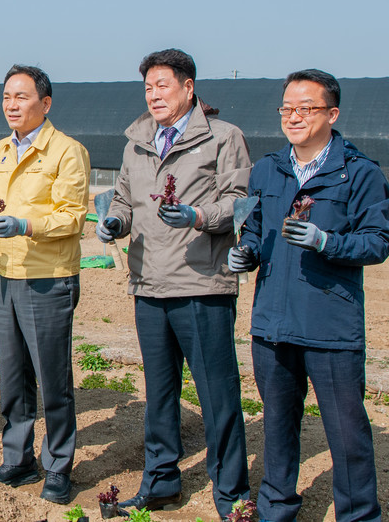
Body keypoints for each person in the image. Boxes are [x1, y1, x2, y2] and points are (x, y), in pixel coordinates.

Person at [230, 69, 389, 522]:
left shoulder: (358, 173)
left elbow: (378, 242)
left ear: (332, 114)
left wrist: (326, 241)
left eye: (306, 108)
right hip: (273, 323)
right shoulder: (268, 169)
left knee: (346, 431)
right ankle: (276, 508)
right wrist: (246, 252)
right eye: (287, 108)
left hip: (329, 324)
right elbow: (256, 229)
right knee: (278, 424)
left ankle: (359, 514)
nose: (294, 116)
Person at [97, 49, 251, 518]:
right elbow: (124, 198)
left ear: (188, 87)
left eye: (162, 85)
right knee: (159, 394)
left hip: (200, 283)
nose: (153, 95)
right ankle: (160, 481)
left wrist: (198, 215)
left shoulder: (223, 137)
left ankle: (230, 494)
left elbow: (239, 200)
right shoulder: (138, 141)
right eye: (148, 87)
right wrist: (115, 222)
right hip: (148, 284)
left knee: (216, 394)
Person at [0, 65, 90, 504]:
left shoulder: (66, 151)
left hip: (47, 278)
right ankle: (18, 458)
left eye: (21, 97)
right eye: (6, 97)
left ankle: (58, 466)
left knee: (52, 378)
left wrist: (25, 225)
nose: (11, 105)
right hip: (6, 274)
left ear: (46, 103)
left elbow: (73, 216)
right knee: (14, 375)